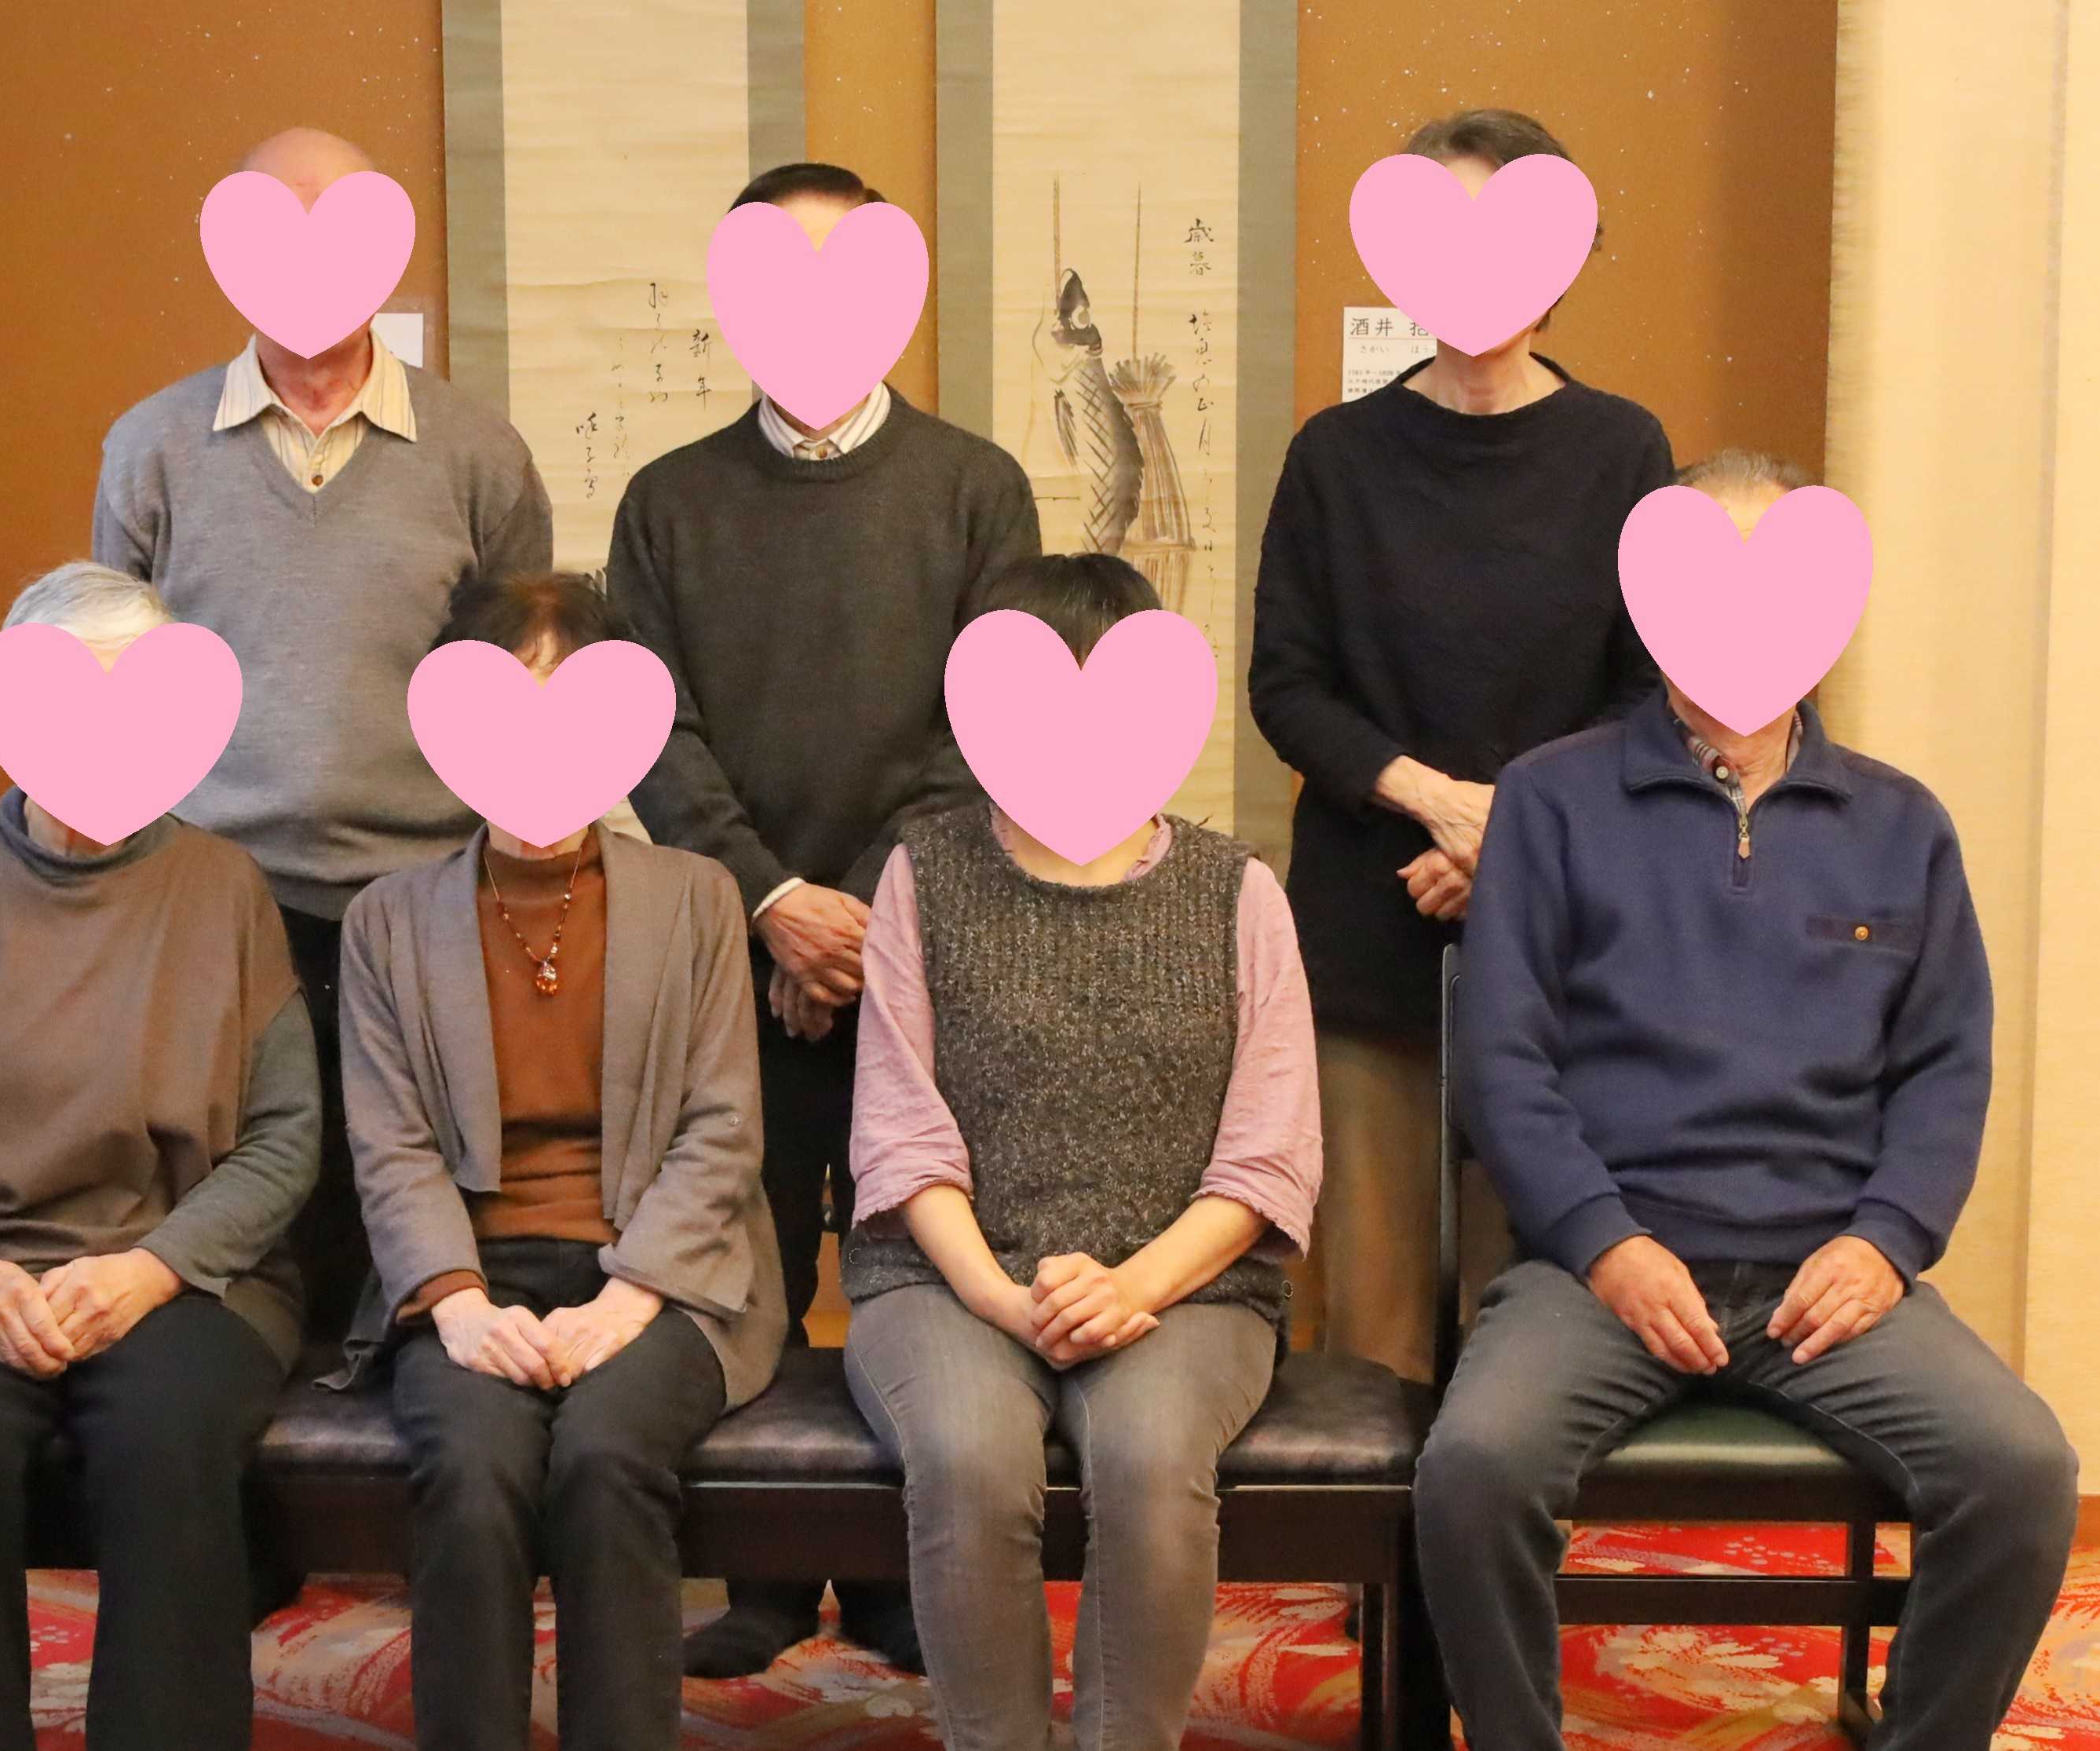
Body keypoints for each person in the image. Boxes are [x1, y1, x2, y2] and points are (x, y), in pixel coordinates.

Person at [1416, 451, 2080, 1750]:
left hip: (1824, 1275)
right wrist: (1605, 1244)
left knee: (2021, 1469)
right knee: (1473, 1467)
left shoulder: (1901, 823)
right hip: (1601, 1264)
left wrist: (1882, 1242)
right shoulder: (1550, 797)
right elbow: (1502, 1059)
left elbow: (1946, 1066)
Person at [611, 160, 1043, 1676]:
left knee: (912, 1269)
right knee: (746, 1269)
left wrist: (858, 917)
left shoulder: (974, 485)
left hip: (921, 953)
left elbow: (987, 718)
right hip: (728, 949)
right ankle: (768, 1574)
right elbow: (650, 727)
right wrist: (775, 901)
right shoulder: (669, 499)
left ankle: (901, 1575)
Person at [0, 562, 321, 1751]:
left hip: (180, 1274)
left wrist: (149, 1270)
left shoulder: (225, 888)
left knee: (168, 1435)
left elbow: (285, 1135)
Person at [842, 554, 1320, 1751]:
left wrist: (1130, 1284)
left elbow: (1266, 1155)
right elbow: (900, 1131)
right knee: (966, 1454)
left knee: (1151, 1458)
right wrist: (1002, 1296)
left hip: (1188, 1285)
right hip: (946, 1277)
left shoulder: (1236, 889)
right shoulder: (922, 871)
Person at [95, 125, 553, 1338]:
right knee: (242, 1202)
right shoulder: (151, 448)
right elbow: (115, 677)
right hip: (217, 889)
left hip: (426, 889)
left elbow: (522, 678)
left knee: (405, 1195)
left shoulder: (478, 454)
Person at [1247, 107, 1675, 1384]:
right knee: (1370, 1318)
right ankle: (1376, 1524)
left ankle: (1496, 1517)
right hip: (1367, 920)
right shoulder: (1334, 454)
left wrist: (1511, 834)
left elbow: (1645, 688)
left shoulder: (1622, 448)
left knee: (1529, 1305)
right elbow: (1288, 685)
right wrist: (1439, 802)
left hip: (1556, 927)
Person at [336, 574, 786, 1751]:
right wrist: (458, 1303)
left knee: (605, 1453)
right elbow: (390, 1142)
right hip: (473, 1271)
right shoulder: (388, 919)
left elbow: (722, 1126)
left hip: (666, 1275)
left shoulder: (697, 898)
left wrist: (630, 1297)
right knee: (471, 1464)